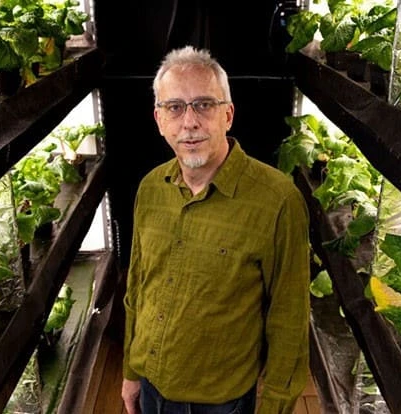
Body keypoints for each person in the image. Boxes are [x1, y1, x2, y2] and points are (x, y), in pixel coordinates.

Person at [121, 45, 310, 414]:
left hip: (220, 403)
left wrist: (273, 407)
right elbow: (137, 286)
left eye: (204, 104)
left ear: (228, 115)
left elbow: (289, 319)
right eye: (174, 107)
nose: (189, 122)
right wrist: (131, 370)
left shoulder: (277, 201)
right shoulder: (150, 188)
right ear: (159, 120)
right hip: (151, 388)